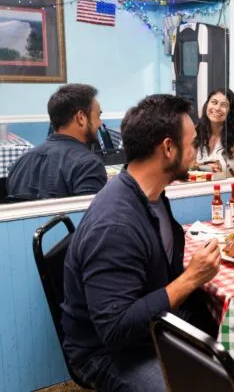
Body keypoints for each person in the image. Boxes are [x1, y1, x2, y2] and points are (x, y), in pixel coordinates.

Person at [61, 94, 221, 391]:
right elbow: (115, 330)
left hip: (149, 328)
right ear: (168, 148)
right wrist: (189, 279)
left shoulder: (150, 193)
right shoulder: (115, 226)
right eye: (192, 144)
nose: (196, 154)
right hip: (107, 353)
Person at [6, 84, 107, 200]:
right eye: (98, 116)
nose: (99, 123)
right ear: (81, 118)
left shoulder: (20, 163)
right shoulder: (88, 165)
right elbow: (92, 215)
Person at [193, 88, 234, 176]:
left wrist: (226, 172)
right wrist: (202, 167)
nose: (217, 108)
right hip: (199, 186)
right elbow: (187, 166)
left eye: (224, 105)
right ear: (207, 105)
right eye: (214, 102)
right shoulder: (196, 130)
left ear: (230, 111)